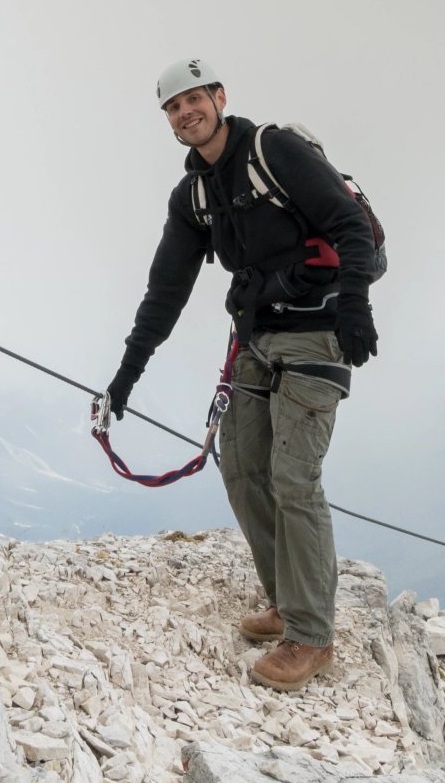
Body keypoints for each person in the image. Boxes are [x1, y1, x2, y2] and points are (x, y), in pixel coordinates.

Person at [103, 60, 382, 692]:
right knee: (241, 467)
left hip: (316, 332)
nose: (185, 113)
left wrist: (357, 305)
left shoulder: (273, 151)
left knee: (294, 476)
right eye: (172, 107)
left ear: (220, 98)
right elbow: (165, 291)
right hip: (255, 339)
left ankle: (311, 636)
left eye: (194, 99)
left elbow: (349, 225)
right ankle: (286, 600)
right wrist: (126, 376)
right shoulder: (194, 196)